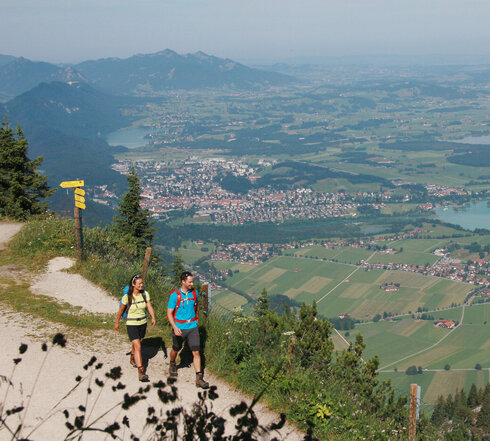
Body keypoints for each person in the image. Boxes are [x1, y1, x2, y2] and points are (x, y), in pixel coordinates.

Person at [167, 271, 209, 388]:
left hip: (192, 327)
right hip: (179, 328)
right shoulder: (175, 295)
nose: (192, 284)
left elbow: (196, 307)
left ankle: (199, 378)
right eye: (189, 282)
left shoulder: (194, 293)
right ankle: (172, 363)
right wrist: (174, 327)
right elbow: (169, 313)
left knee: (196, 352)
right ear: (183, 282)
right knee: (176, 348)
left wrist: (196, 320)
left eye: (192, 281)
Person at [115, 274, 156, 382]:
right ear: (133, 285)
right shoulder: (127, 297)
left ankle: (133, 355)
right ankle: (141, 371)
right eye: (139, 283)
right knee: (138, 346)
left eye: (142, 283)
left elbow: (149, 306)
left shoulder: (145, 294)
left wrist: (153, 317)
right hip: (131, 323)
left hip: (142, 322)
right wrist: (117, 322)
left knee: (137, 341)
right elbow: (121, 310)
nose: (141, 285)